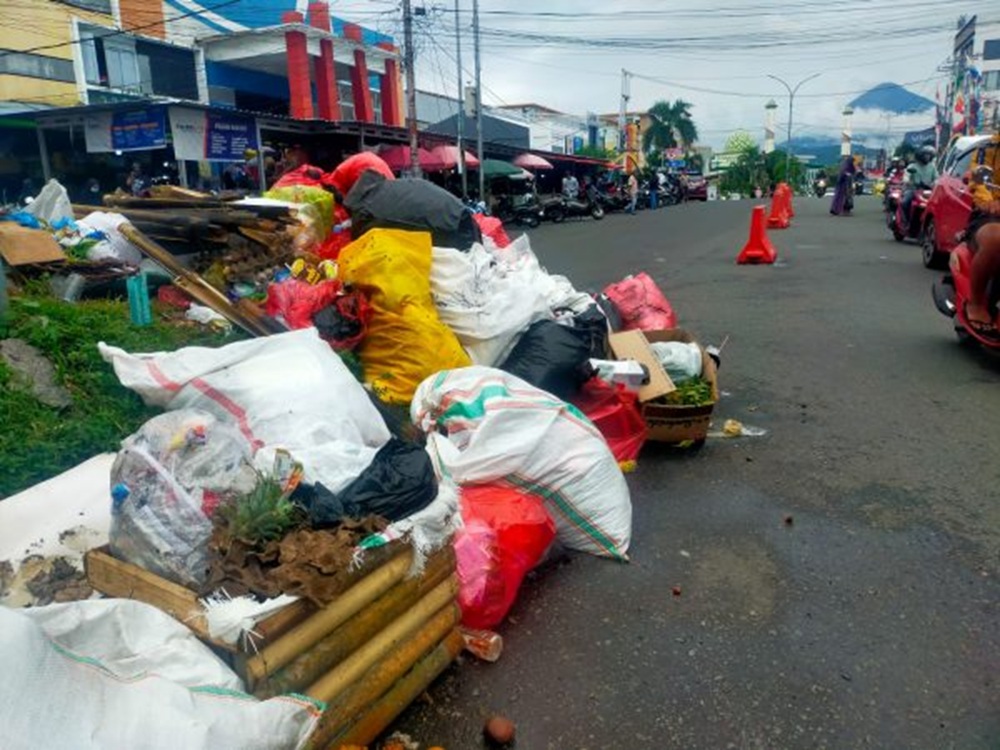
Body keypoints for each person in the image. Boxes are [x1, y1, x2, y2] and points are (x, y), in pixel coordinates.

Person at [964, 165, 1000, 338]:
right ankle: (976, 303)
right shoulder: (989, 151)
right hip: (991, 216)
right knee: (995, 238)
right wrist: (989, 201)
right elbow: (979, 179)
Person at [899, 145, 938, 230]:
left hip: (928, 190)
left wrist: (933, 183)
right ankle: (905, 221)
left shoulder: (932, 167)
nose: (927, 157)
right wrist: (907, 181)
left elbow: (936, 178)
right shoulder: (912, 166)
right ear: (920, 156)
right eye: (926, 155)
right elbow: (906, 176)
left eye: (929, 155)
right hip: (914, 189)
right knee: (904, 203)